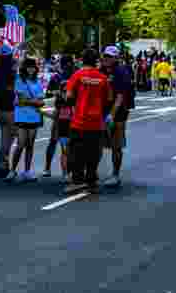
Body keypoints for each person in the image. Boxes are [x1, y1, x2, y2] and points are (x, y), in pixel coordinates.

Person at [64, 48, 113, 194]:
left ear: (82, 60)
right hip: (96, 122)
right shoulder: (103, 78)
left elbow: (69, 96)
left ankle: (77, 181)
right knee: (93, 152)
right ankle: (92, 181)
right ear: (96, 61)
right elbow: (109, 99)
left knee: (75, 152)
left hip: (79, 120)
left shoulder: (77, 75)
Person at [101, 46, 133, 188]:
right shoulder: (101, 70)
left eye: (109, 56)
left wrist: (111, 115)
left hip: (118, 112)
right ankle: (92, 173)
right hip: (102, 110)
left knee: (116, 145)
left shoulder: (121, 72)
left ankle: (115, 174)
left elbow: (120, 96)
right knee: (97, 143)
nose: (106, 59)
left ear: (116, 58)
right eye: (105, 56)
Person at [7, 57, 43, 182]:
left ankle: (27, 171)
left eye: (33, 67)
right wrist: (35, 102)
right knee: (21, 143)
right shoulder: (19, 80)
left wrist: (30, 102)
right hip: (21, 116)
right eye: (28, 67)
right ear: (24, 68)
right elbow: (22, 100)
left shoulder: (37, 82)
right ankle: (12, 170)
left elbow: (40, 101)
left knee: (30, 145)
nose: (31, 69)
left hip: (34, 116)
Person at [44, 54, 75, 180]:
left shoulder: (75, 75)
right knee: (54, 139)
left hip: (71, 110)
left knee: (66, 142)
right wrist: (57, 93)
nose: (68, 66)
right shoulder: (56, 77)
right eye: (66, 64)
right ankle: (47, 167)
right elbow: (48, 93)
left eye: (69, 64)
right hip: (60, 109)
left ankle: (66, 170)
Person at [0, 44, 17, 179]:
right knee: (10, 138)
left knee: (5, 137)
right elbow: (11, 88)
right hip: (9, 108)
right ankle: (2, 164)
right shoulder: (11, 71)